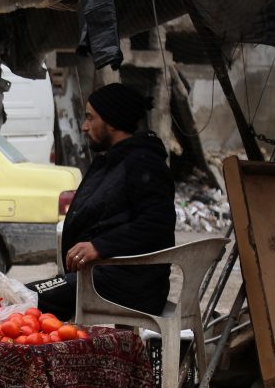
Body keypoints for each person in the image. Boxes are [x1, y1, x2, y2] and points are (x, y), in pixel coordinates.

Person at [28, 83, 176, 321]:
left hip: (131, 285)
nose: (84, 126)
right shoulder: (114, 162)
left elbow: (156, 224)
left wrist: (99, 246)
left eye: (90, 118)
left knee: (25, 298)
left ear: (112, 121)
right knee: (21, 295)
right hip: (102, 277)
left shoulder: (144, 163)